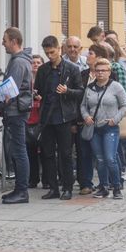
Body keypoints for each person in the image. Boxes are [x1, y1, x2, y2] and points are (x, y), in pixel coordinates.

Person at [34, 35, 84, 200]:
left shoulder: (72, 69)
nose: (50, 56)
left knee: (65, 154)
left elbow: (81, 92)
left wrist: (67, 91)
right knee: (47, 154)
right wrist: (37, 96)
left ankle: (67, 188)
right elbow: (38, 90)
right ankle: (53, 188)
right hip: (47, 117)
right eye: (47, 53)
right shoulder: (43, 70)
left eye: (52, 52)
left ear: (59, 49)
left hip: (64, 117)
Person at [81, 58, 126, 199]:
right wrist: (86, 116)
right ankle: (103, 186)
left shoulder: (116, 87)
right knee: (100, 159)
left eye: (103, 70)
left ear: (109, 72)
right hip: (94, 128)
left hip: (110, 127)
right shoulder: (90, 88)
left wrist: (115, 119)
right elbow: (83, 105)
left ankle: (116, 187)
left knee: (110, 158)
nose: (100, 73)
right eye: (98, 70)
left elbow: (125, 106)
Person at [0, 27, 33, 204]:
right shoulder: (19, 60)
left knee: (19, 151)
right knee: (18, 150)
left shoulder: (18, 62)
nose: (2, 43)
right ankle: (19, 189)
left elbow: (11, 91)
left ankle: (22, 191)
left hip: (16, 112)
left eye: (5, 40)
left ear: (14, 41)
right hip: (16, 110)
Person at [105, 37, 126, 181]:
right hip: (120, 101)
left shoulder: (120, 63)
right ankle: (123, 166)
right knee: (119, 137)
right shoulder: (118, 62)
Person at [26, 54, 46, 189]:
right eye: (33, 62)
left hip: (41, 120)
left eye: (38, 62)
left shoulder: (45, 80)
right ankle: (33, 179)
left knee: (45, 152)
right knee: (30, 152)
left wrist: (40, 98)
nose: (36, 64)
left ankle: (46, 179)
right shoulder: (26, 81)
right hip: (29, 120)